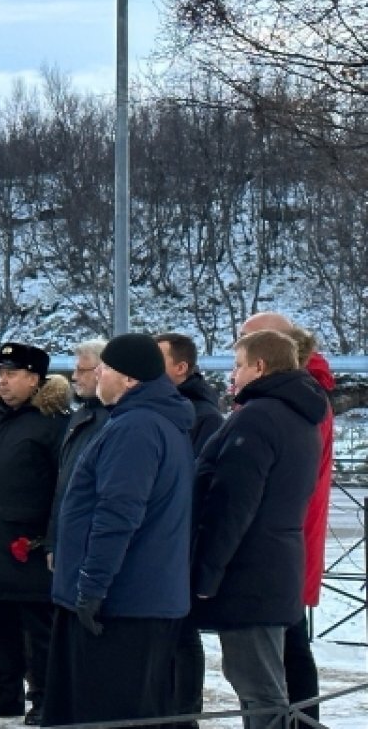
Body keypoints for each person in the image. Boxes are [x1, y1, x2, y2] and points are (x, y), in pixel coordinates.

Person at [43, 333, 194, 727]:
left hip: (121, 605)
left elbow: (117, 513)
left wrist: (91, 587)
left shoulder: (136, 427)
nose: (98, 376)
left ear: (129, 380)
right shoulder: (154, 420)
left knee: (106, 714)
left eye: (105, 368)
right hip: (140, 597)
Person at [192, 330, 325, 729]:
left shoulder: (259, 416)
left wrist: (207, 574)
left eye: (238, 365)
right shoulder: (299, 415)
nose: (232, 376)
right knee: (264, 685)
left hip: (248, 573)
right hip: (275, 565)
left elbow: (233, 503)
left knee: (259, 688)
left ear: (260, 366)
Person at [0, 342, 71, 726]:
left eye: (11, 374)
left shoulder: (53, 422)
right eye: (0, 374)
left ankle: (42, 697)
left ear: (34, 379)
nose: (3, 381)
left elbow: (61, 488)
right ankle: (6, 693)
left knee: (37, 628)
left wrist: (49, 538)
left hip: (27, 544)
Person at [240, 312, 335, 724]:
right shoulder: (303, 392)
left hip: (285, 536)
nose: (237, 349)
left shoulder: (298, 396)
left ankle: (300, 722)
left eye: (245, 341)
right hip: (292, 534)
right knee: (288, 644)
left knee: (288, 648)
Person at [156, 331, 225, 728]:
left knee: (181, 634)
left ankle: (184, 714)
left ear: (181, 368)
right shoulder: (169, 409)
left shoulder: (203, 416)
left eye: (158, 361)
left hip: (180, 543)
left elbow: (201, 485)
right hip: (164, 543)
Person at [47, 338, 110, 572]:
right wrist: (53, 541)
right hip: (69, 540)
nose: (74, 377)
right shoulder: (80, 415)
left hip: (91, 545)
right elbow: (63, 485)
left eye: (81, 370)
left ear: (102, 371)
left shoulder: (116, 420)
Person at [155, 332, 224, 456]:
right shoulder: (151, 406)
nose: (147, 367)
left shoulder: (207, 418)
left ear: (181, 368)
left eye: (155, 361)